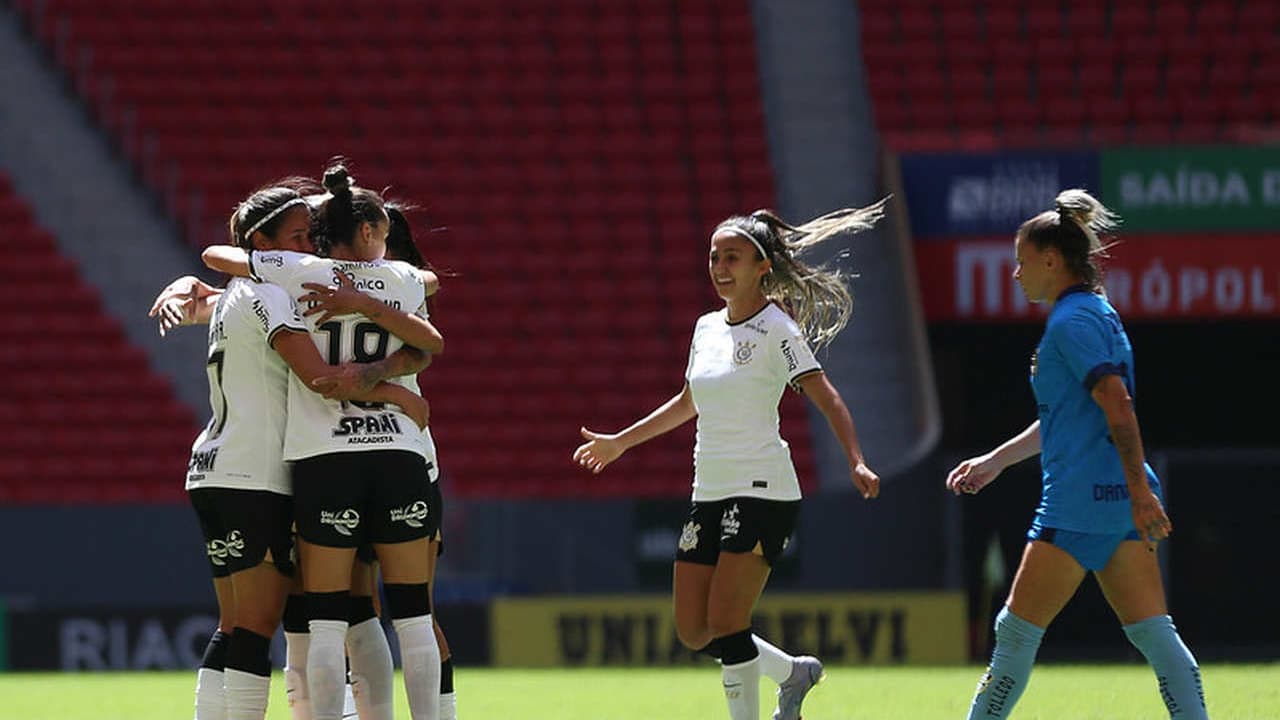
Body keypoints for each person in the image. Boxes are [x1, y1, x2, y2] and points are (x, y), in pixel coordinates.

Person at [573, 201, 887, 720]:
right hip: (710, 492)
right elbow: (688, 401)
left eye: (733, 257)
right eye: (714, 257)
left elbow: (826, 396)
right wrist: (620, 442)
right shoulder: (704, 328)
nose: (720, 267)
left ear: (763, 266)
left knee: (726, 620)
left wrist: (855, 459)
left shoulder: (778, 329)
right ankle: (793, 673)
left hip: (763, 489)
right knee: (693, 630)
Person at [159, 184, 428, 720]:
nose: (310, 246)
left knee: (247, 622)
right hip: (259, 475)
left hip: (212, 468)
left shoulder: (231, 297)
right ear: (263, 244)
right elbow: (321, 376)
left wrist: (186, 284)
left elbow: (210, 285)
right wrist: (398, 392)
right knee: (285, 621)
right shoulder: (273, 294)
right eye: (299, 237)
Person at [945, 189, 1207, 720]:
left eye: (1021, 262)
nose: (1016, 274)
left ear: (1050, 260)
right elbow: (1073, 415)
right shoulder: (1096, 313)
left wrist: (1138, 492)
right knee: (1157, 638)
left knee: (1013, 636)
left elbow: (1118, 403)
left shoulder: (1070, 323)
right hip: (1117, 507)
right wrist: (997, 460)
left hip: (1076, 507)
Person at [302, 203, 461, 720]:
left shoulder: (301, 277)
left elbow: (236, 265)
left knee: (344, 615)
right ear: (368, 231)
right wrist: (393, 390)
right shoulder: (405, 281)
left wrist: (377, 375)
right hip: (401, 453)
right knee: (402, 612)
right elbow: (428, 341)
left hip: (333, 455)